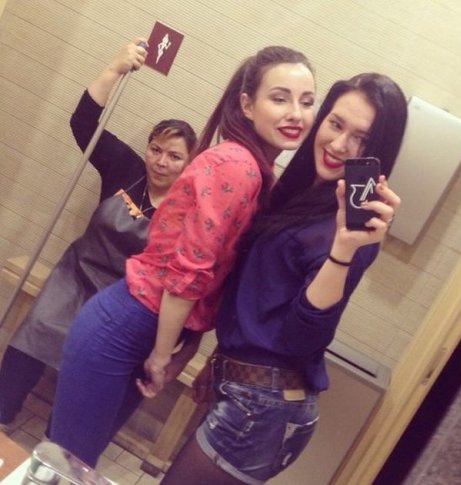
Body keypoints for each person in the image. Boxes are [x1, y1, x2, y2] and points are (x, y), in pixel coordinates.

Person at [49, 45, 316, 467]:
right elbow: (189, 271)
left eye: (307, 101)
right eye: (280, 98)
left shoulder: (254, 170)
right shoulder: (237, 165)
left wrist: (184, 348)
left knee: (76, 464)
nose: (295, 114)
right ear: (247, 104)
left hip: (143, 326)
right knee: (65, 464)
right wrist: (162, 354)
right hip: (127, 324)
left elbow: (214, 278)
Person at [161, 72, 408, 485]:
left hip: (264, 407)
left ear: (378, 153)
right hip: (248, 388)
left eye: (361, 140)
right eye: (335, 123)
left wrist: (344, 249)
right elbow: (257, 298)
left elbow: (300, 337)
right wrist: (220, 360)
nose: (339, 145)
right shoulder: (297, 193)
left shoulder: (352, 235)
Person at [0, 38, 197, 433]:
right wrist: (114, 68)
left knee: (87, 378)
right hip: (74, 277)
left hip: (122, 301)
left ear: (190, 163)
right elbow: (83, 123)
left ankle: (57, 444)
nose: (161, 161)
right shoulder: (125, 167)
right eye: (156, 149)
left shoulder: (190, 211)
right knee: (31, 339)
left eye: (174, 156)